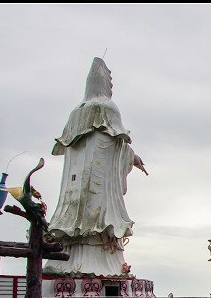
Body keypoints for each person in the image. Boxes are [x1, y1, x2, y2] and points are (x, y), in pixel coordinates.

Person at [44, 57, 148, 277]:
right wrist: (132, 157)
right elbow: (116, 142)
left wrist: (130, 156)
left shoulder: (76, 113)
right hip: (96, 184)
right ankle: (93, 261)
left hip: (76, 188)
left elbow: (109, 142)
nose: (111, 87)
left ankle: (74, 258)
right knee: (97, 215)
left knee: (83, 210)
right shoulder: (105, 106)